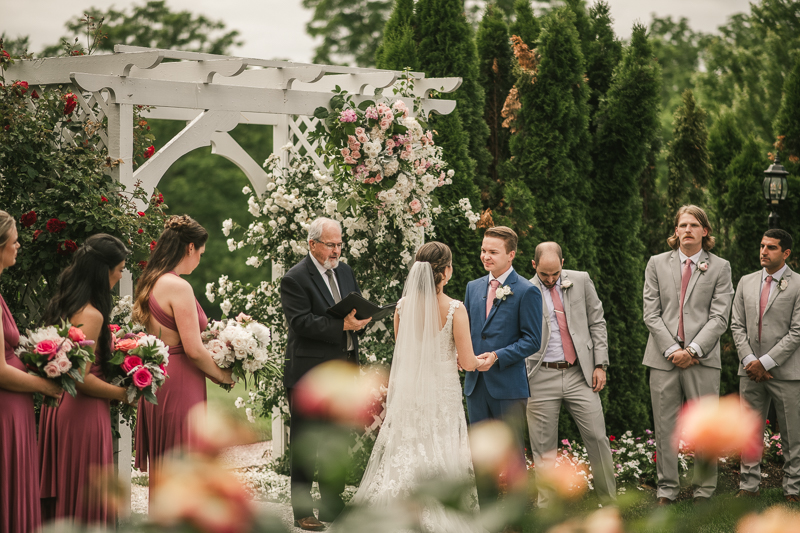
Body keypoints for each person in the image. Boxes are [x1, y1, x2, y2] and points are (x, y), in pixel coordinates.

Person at [339, 242, 488, 533]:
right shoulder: (455, 309)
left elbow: (404, 350)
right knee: (441, 451)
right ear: (445, 272)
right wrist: (487, 360)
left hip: (409, 394)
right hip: (442, 395)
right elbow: (469, 363)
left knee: (407, 450)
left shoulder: (403, 306)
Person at [132, 215, 235, 497]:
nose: (200, 259)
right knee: (185, 468)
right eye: (200, 253)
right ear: (190, 248)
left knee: (168, 471)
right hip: (180, 384)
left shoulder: (152, 281)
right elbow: (193, 349)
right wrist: (223, 375)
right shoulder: (178, 286)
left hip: (160, 381)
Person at [280, 217, 370, 531]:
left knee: (337, 440)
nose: (336, 250)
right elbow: (300, 323)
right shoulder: (295, 278)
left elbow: (353, 308)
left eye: (339, 244)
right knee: (307, 442)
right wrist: (341, 325)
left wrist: (362, 318)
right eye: (330, 244)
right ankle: (302, 512)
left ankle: (332, 505)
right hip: (309, 374)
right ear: (312, 244)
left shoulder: (344, 271)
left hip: (343, 370)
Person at [38, 234, 132, 526]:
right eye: (119, 269)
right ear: (103, 271)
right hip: (83, 414)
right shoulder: (92, 314)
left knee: (69, 497)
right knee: (86, 499)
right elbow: (82, 378)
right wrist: (124, 393)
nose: (121, 275)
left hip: (59, 407)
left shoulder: (67, 304)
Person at [642, 205, 733, 505]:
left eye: (694, 225)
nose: (687, 230)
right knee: (664, 425)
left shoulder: (720, 267)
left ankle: (704, 491)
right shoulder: (656, 263)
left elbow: (720, 317)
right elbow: (651, 314)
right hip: (663, 359)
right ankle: (666, 490)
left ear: (705, 231)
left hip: (702, 359)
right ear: (676, 230)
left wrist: (692, 350)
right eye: (682, 225)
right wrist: (672, 350)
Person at [525, 242, 616, 507]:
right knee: (543, 449)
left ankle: (609, 503)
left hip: (580, 374)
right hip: (540, 376)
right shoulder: (523, 289)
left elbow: (597, 321)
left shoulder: (581, 280)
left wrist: (600, 364)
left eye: (555, 274)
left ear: (563, 262)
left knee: (598, 438)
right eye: (544, 275)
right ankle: (547, 508)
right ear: (534, 266)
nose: (551, 280)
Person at [0, 211, 63, 533]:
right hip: (6, 406)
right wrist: (46, 386)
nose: (19, 245)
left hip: (15, 404)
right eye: (14, 240)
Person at [731, 229, 800, 502]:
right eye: (762, 246)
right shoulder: (746, 282)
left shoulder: (798, 285)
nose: (763, 251)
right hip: (749, 372)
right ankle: (748, 487)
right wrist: (750, 361)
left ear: (786, 253)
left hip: (786, 372)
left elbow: (797, 331)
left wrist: (766, 362)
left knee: (793, 434)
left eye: (771, 247)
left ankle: (793, 489)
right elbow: (736, 325)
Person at [463, 226, 542, 436]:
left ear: (511, 255)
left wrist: (497, 356)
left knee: (511, 460)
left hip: (508, 388)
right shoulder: (473, 287)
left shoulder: (527, 291)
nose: (485, 257)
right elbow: (468, 331)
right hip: (475, 385)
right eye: (483, 250)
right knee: (480, 458)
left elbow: (533, 340)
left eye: (493, 252)